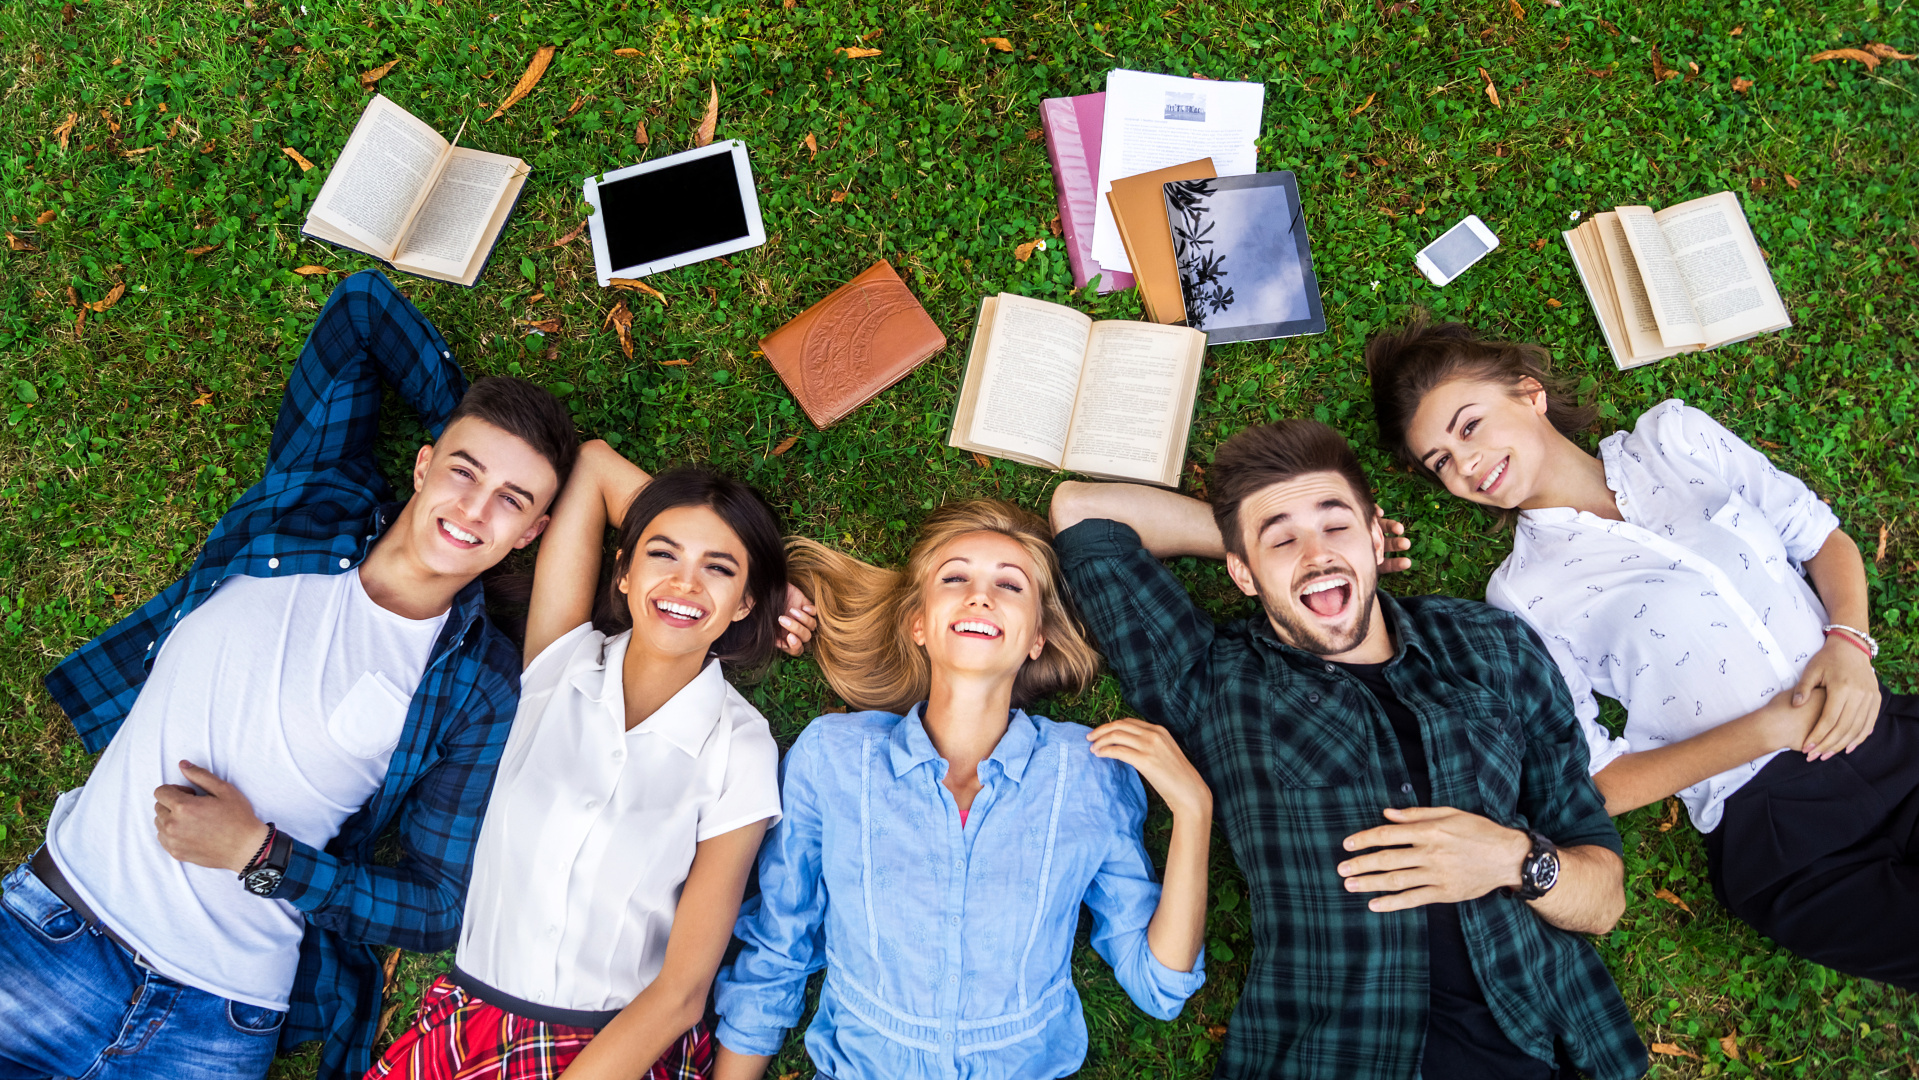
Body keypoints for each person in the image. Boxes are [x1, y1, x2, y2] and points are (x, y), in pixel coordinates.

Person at [1, 269, 577, 1080]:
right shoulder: (312, 504)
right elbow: (362, 311)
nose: (474, 510)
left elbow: (439, 904)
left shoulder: (479, 686)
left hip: (213, 1022)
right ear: (422, 464)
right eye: (463, 471)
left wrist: (261, 856)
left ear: (532, 534)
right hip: (45, 946)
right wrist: (474, 421)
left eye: (513, 501)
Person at [1047, 422, 1648, 1080]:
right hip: (1329, 1058)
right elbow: (1081, 511)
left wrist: (1513, 859)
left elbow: (1603, 900)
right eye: (1281, 538)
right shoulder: (1206, 679)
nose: (1315, 554)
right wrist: (1250, 542)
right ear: (1240, 573)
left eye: (1336, 526)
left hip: (1539, 1050)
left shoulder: (1490, 646)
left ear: (1373, 537)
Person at [1368, 314, 1919, 989]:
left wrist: (1848, 643)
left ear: (1528, 393)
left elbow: (1817, 537)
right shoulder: (1521, 594)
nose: (1464, 465)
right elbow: (1598, 783)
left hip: (1884, 731)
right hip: (1782, 832)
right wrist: (1768, 729)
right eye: (1440, 463)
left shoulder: (1674, 438)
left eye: (1468, 426)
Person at [710, 500, 1214, 1080]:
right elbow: (778, 948)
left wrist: (1193, 809)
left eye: (1010, 584)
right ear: (918, 624)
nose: (982, 595)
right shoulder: (834, 758)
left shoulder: (1088, 770)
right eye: (956, 578)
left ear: (1037, 639)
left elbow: (1160, 985)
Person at [369, 448, 805, 1080]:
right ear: (622, 572)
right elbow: (595, 467)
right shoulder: (559, 662)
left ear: (744, 604)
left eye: (718, 570)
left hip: (619, 1052)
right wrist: (726, 542)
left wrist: (755, 573)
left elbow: (683, 993)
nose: (684, 584)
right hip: (465, 1029)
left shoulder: (741, 745)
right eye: (664, 554)